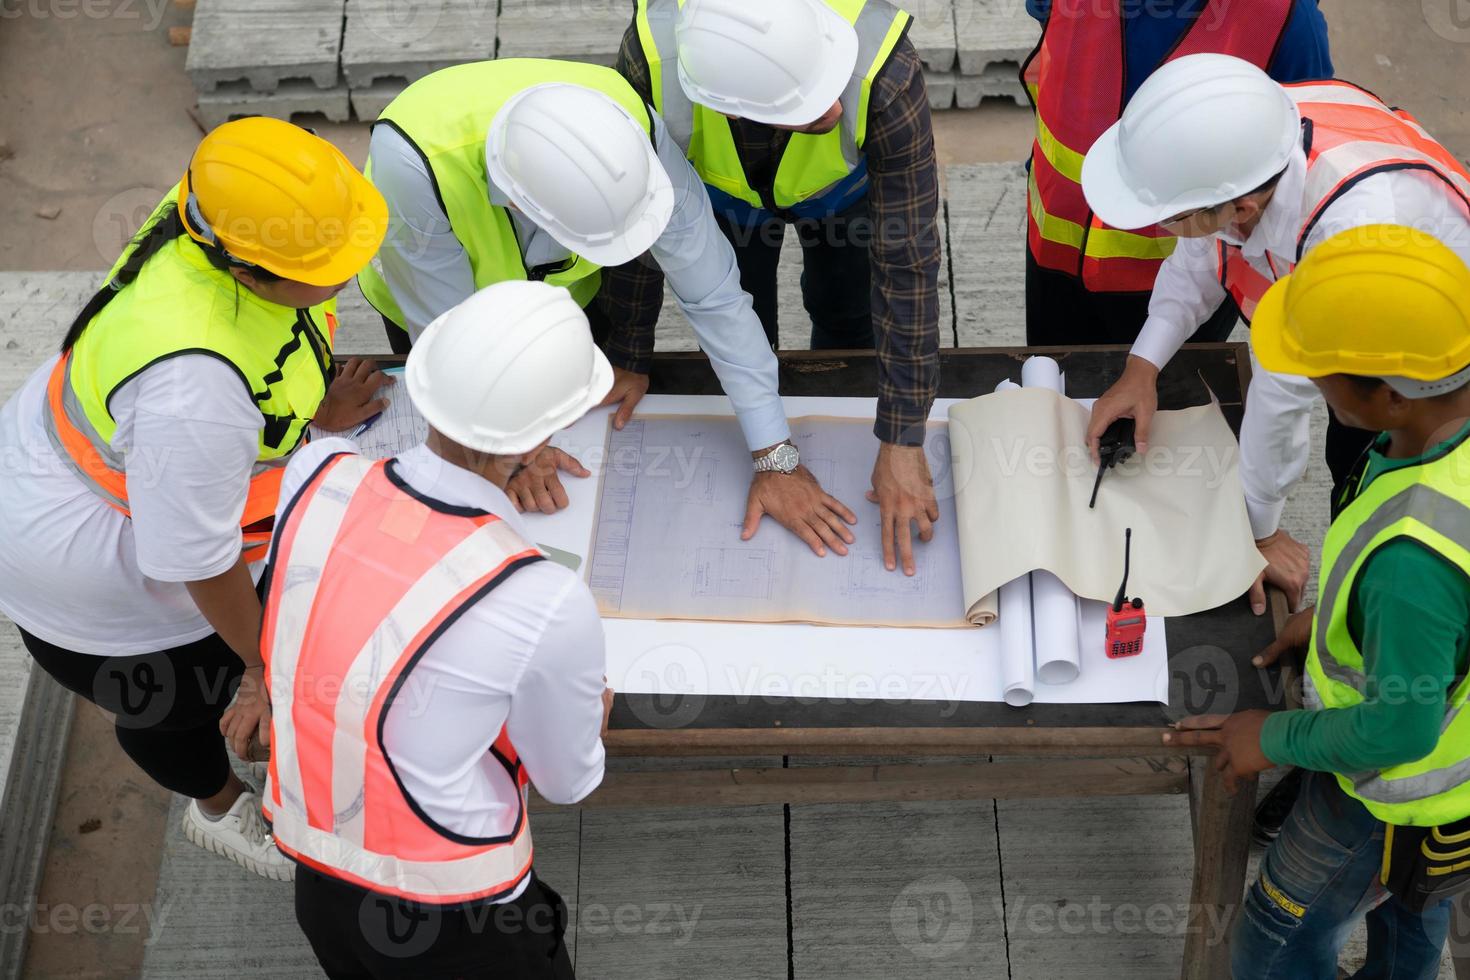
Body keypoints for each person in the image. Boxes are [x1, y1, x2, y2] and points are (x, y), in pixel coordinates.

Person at [0, 118, 389, 878]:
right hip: (101, 592)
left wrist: (309, 417)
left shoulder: (219, 212)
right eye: (333, 264)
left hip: (113, 489)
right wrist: (262, 666)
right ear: (250, 273)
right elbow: (200, 562)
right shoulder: (193, 393)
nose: (354, 268)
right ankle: (216, 808)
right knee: (168, 706)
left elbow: (264, 353)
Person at [359, 58, 859, 563]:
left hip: (563, 301)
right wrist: (514, 451)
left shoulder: (628, 132)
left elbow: (716, 297)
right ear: (517, 205)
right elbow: (455, 343)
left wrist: (776, 455)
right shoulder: (413, 166)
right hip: (440, 313)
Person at [263, 281, 613, 978]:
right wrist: (590, 717)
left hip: (316, 875)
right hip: (463, 916)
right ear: (543, 435)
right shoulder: (542, 597)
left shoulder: (315, 469)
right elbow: (567, 783)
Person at [1163, 226, 1470, 979]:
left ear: (1392, 397)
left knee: (1273, 941)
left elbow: (1399, 726)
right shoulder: (1432, 445)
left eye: (1320, 375)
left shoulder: (1411, 562)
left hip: (1386, 799)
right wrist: (1338, 620)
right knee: (1413, 912)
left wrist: (1274, 736)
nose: (1310, 385)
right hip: (1447, 796)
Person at [1080, 54, 1470, 614]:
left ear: (1242, 207)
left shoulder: (1351, 235)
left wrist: (1259, 532)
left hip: (1428, 376)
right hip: (1381, 357)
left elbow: (1284, 391)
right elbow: (1201, 251)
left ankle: (1362, 610)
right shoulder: (1245, 140)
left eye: (1169, 217)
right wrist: (1142, 369)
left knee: (1392, 512)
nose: (1162, 232)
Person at [615, 0, 945, 575]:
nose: (837, 105)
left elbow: (907, 260)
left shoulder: (883, 72)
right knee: (747, 333)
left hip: (844, 196)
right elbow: (637, 220)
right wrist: (628, 352)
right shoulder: (655, 61)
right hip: (722, 200)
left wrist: (903, 434)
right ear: (732, 108)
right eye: (808, 103)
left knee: (847, 320)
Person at [1021, 0, 1333, 346]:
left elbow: (1294, 158)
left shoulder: (1283, 18)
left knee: (1172, 393)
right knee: (1053, 376)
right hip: (1055, 246)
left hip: (1182, 275)